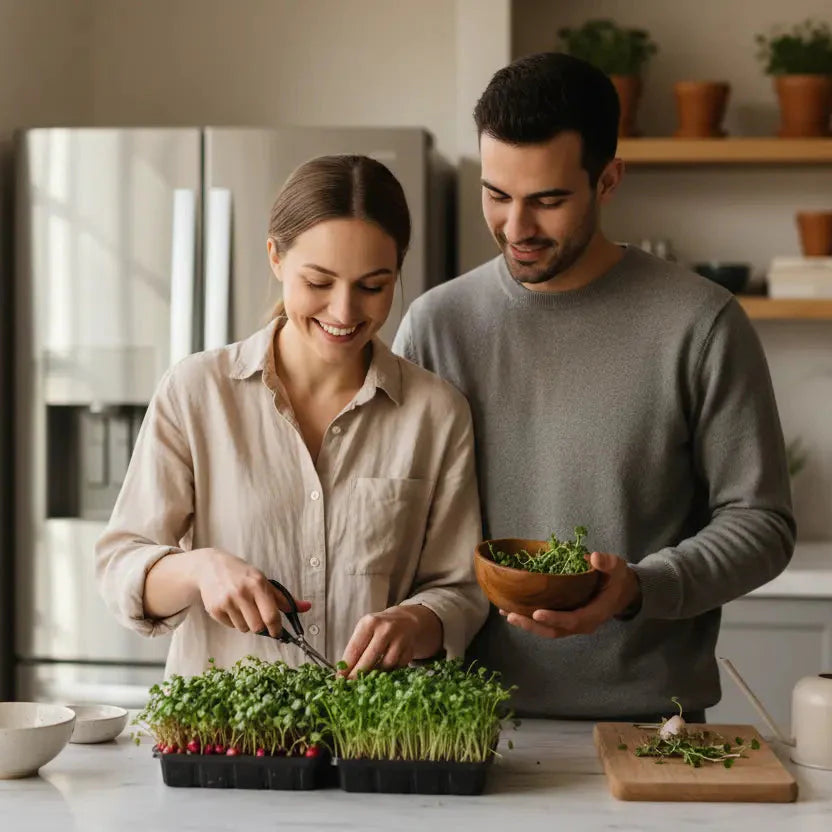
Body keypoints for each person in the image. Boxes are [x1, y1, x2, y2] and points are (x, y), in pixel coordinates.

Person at [393, 53, 795, 720]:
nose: (517, 229)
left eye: (547, 201)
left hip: (650, 729)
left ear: (608, 180)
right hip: (458, 727)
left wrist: (639, 587)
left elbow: (762, 522)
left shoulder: (701, 324)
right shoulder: (437, 326)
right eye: (497, 195)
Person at [96, 154, 487, 681]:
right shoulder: (197, 391)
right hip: (227, 743)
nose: (345, 312)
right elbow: (121, 565)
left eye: (373, 286)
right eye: (319, 282)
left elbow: (460, 590)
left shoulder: (437, 414)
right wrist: (200, 569)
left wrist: (418, 621)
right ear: (276, 259)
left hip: (374, 741)